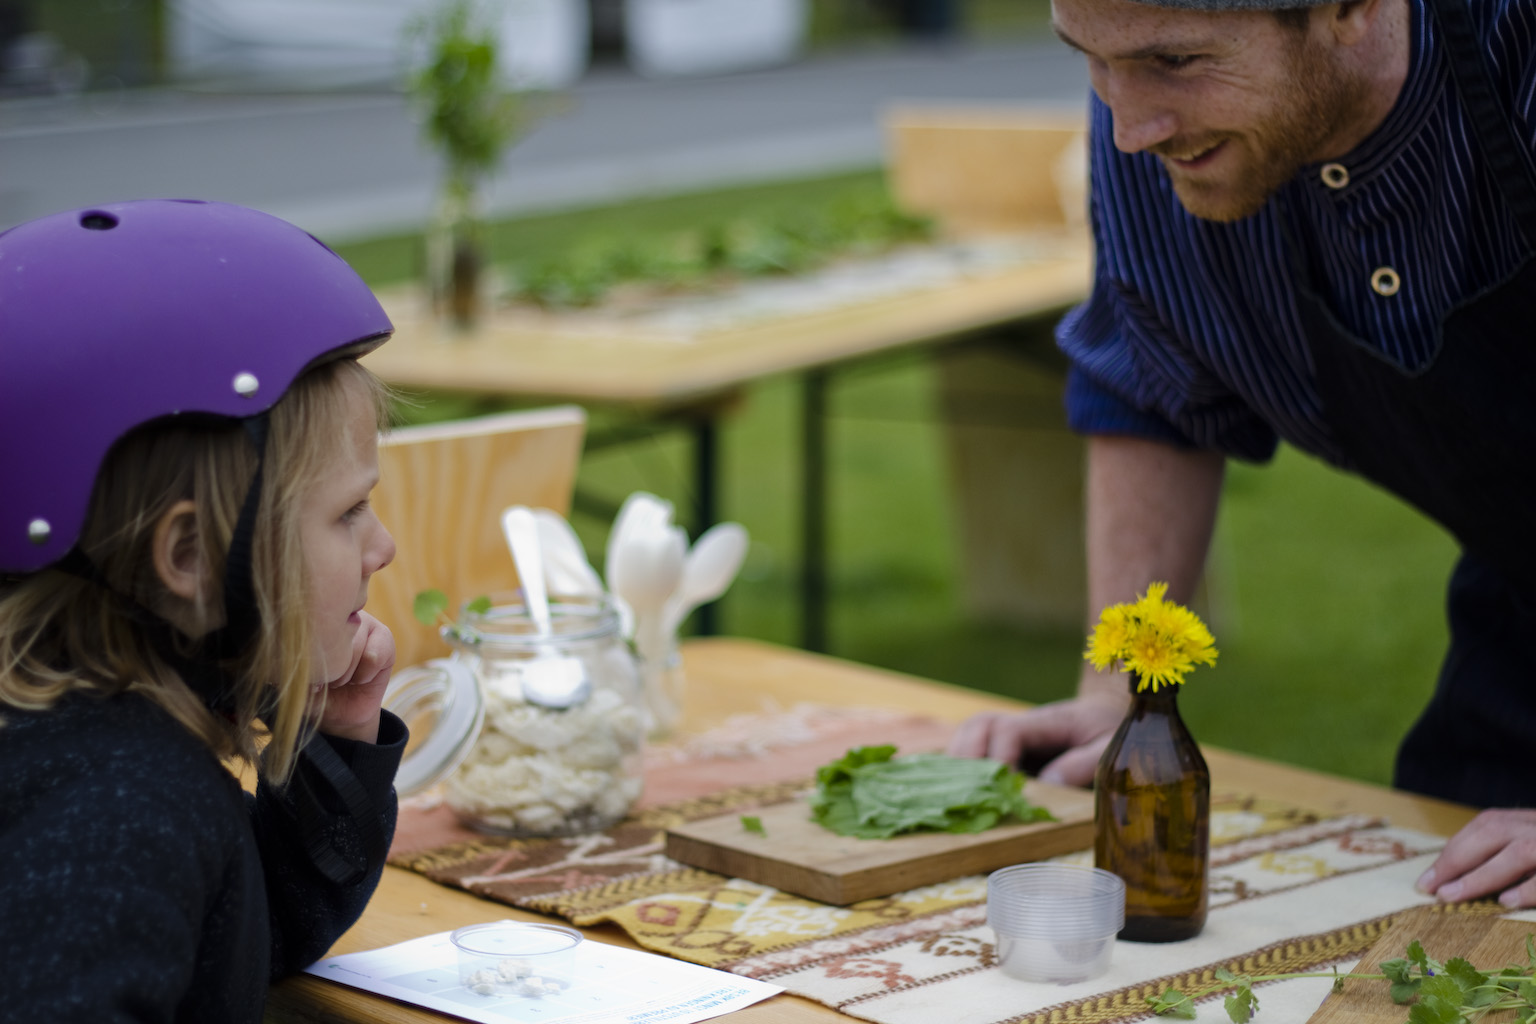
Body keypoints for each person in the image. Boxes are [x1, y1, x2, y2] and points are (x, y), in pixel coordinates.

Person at [947, 0, 1536, 908]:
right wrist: (1118, 693)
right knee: (1439, 915)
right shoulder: (1161, 133)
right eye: (1092, 62)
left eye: (1176, 59)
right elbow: (1155, 381)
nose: (1130, 127)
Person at [0, 199, 407, 1022]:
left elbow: (236, 935)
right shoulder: (117, 810)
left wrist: (336, 739)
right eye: (347, 513)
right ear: (188, 560)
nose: (383, 545)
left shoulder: (99, 761)